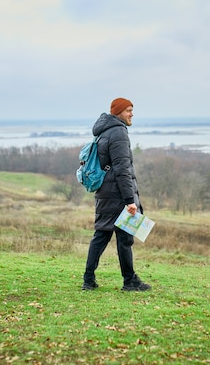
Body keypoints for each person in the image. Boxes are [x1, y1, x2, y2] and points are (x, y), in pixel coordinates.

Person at [82, 98, 152, 292]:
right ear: (118, 112)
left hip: (105, 191)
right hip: (118, 194)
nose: (131, 114)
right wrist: (130, 200)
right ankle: (129, 281)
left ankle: (88, 279)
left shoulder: (104, 131)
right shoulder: (119, 132)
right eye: (128, 110)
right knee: (124, 237)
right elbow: (122, 169)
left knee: (102, 234)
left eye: (132, 110)